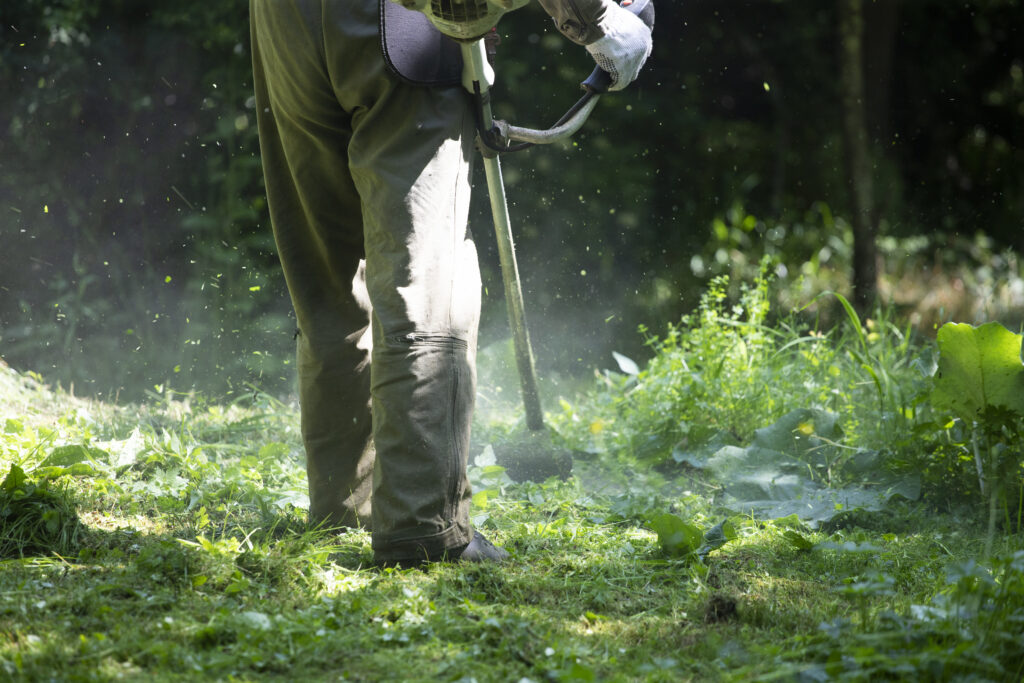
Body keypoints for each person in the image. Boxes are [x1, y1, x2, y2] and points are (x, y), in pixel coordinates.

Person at [249, 0, 652, 566]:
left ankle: (345, 508)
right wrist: (599, 21)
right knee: (425, 280)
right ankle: (420, 527)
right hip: (395, 27)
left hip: (283, 24)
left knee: (328, 272)